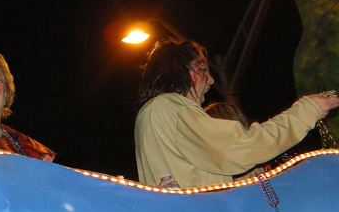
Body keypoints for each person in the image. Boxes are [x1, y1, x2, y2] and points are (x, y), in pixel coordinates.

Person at [134, 38, 339, 189]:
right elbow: (237, 149)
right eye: (202, 69)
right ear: (181, 70)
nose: (211, 80)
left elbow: (211, 169)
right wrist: (307, 111)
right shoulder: (168, 107)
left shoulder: (156, 113)